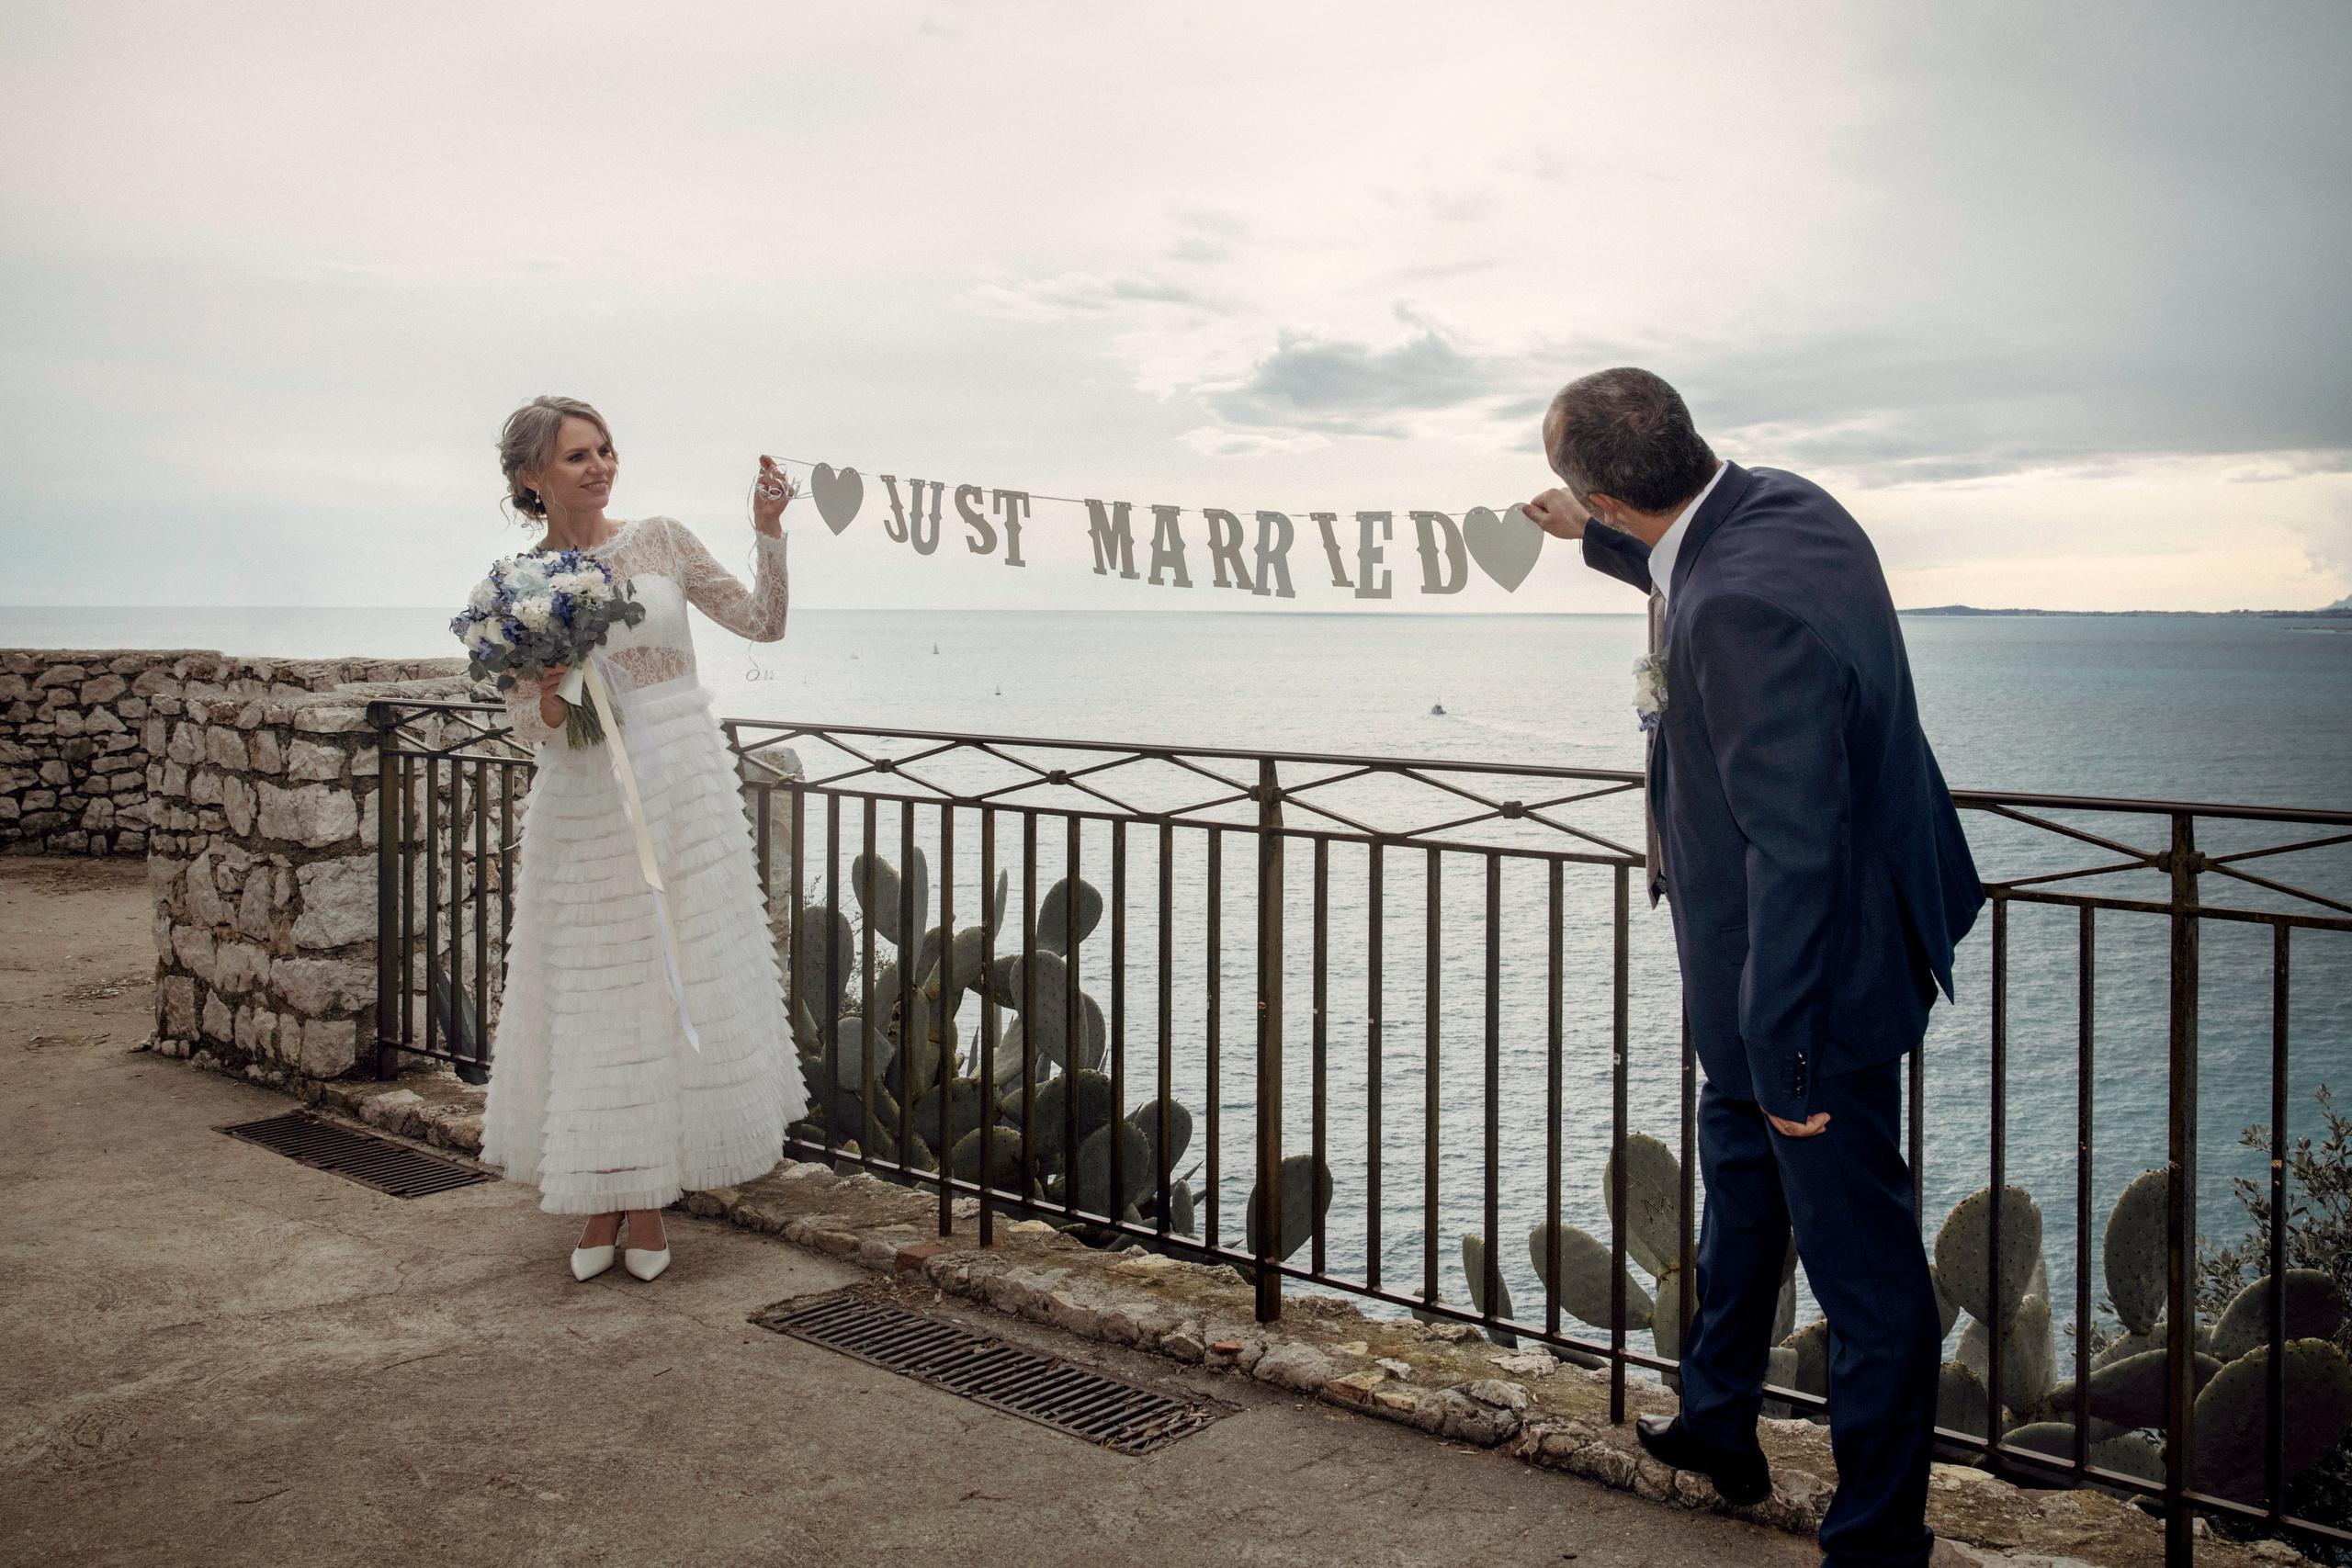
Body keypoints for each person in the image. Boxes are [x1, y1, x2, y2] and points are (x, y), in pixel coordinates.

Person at [1524, 368, 1983, 1568]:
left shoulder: (1734, 606)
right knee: (1738, 1192)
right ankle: (1723, 1420)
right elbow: (1694, 565)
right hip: (1750, 972)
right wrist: (1599, 543)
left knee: (1869, 1281)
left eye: (1592, 501)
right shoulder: (1782, 504)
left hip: (1806, 987)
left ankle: (1879, 1538)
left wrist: (1784, 1052)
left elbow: (1798, 844)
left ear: (1618, 490)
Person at [476, 394, 806, 1283]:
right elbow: (526, 726)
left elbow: (761, 623)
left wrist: (766, 530)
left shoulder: (660, 538)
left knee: (677, 983)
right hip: (584, 795)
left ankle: (651, 1201)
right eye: (577, 456)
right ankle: (595, 1195)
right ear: (531, 479)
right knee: (595, 989)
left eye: (605, 450)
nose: (600, 466)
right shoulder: (515, 587)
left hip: (684, 785)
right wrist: (548, 687)